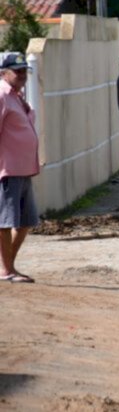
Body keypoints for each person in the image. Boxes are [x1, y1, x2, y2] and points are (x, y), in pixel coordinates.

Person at [0, 52, 40, 283]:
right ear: (4, 73)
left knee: (25, 221)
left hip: (24, 168)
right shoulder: (3, 95)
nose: (22, 74)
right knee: (5, 222)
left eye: (24, 70)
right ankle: (6, 271)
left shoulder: (16, 96)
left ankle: (9, 266)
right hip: (9, 169)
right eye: (17, 71)